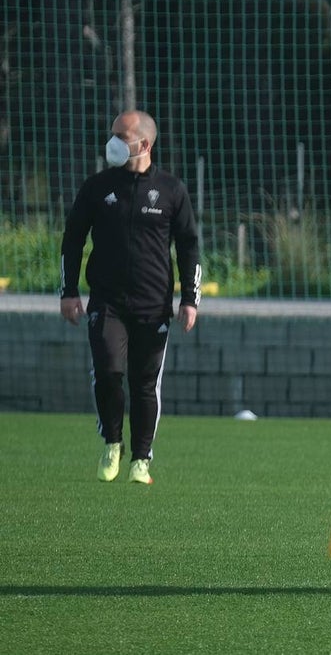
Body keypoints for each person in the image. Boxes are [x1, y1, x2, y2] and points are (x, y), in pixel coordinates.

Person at [60, 109, 202, 485]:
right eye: (112, 135)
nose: (112, 143)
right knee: (108, 371)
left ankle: (141, 459)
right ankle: (112, 442)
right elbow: (72, 240)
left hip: (153, 305)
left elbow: (189, 247)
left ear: (144, 144)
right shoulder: (97, 186)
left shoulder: (171, 190)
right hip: (107, 302)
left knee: (144, 383)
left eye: (120, 137)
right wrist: (68, 291)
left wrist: (190, 299)